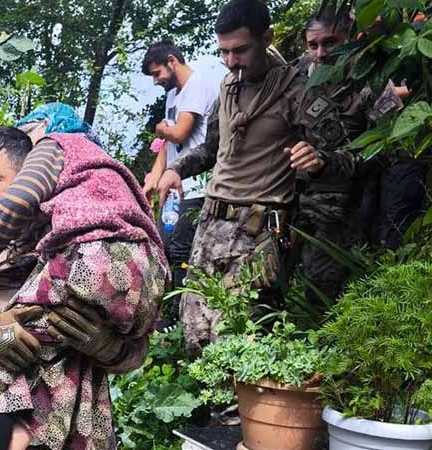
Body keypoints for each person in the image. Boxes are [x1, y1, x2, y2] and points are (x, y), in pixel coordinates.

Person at [0, 122, 157, 450]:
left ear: (29, 181)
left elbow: (136, 349)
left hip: (79, 430)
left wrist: (104, 345)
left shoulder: (75, 244)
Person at [155, 0, 356, 353]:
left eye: (241, 50)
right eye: (225, 52)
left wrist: (320, 161)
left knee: (239, 342)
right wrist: (175, 168)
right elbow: (211, 150)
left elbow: (349, 157)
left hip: (257, 233)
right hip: (210, 228)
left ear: (267, 38)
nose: (232, 61)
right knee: (196, 340)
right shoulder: (227, 88)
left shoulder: (299, 90)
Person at [290, 8, 408, 304]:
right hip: (299, 203)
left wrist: (326, 162)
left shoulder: (371, 81)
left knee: (328, 292)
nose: (320, 53)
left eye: (330, 43)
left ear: (351, 39)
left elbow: (384, 148)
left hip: (350, 206)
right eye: (312, 45)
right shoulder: (300, 72)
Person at [140, 40, 221, 310]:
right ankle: (168, 315)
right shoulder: (174, 94)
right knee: (165, 246)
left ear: (172, 61)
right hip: (173, 187)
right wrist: (153, 176)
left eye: (157, 73)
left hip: (196, 186)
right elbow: (167, 144)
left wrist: (162, 129)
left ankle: (180, 315)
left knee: (181, 251)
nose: (155, 81)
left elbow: (179, 133)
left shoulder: (198, 86)